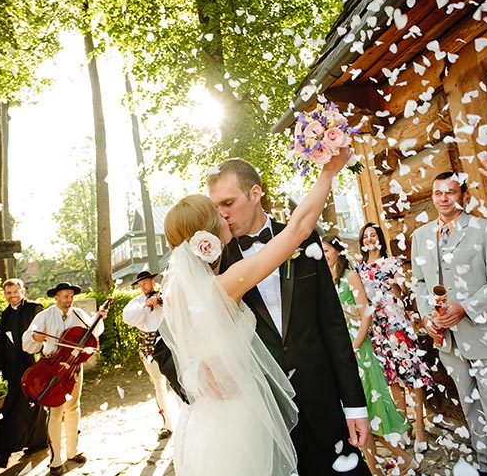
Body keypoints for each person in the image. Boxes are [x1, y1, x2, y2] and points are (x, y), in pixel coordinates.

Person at [158, 148, 371, 476]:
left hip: (304, 409)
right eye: (216, 211)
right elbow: (165, 347)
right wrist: (195, 378)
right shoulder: (224, 279)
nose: (224, 216)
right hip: (254, 419)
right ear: (205, 236)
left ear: (255, 194)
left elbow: (332, 326)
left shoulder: (183, 286)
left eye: (227, 205)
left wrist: (354, 403)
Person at [410, 171, 487, 476]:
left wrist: (465, 307)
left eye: (451, 192)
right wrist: (426, 317)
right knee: (470, 405)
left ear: (465, 196)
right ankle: (484, 463)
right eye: (438, 193)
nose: (444, 198)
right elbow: (419, 283)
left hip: (485, 334)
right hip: (447, 340)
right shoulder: (420, 236)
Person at [322, 235, 415, 476]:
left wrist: (355, 345)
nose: (324, 255)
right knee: (354, 414)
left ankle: (400, 458)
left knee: (369, 409)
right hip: (340, 350)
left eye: (327, 250)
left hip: (357, 348)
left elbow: (367, 314)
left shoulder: (349, 276)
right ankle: (375, 468)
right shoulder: (327, 279)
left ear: (338, 252)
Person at [355, 223, 432, 452]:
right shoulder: (358, 269)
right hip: (375, 327)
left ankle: (420, 426)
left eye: (373, 235)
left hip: (395, 322)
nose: (369, 239)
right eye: (365, 236)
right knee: (392, 377)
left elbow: (404, 290)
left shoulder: (392, 262)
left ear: (380, 239)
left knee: (411, 374)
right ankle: (403, 426)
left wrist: (397, 283)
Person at [23, 282, 107, 476]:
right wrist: (35, 338)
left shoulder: (78, 314)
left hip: (74, 370)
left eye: (71, 296)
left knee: (73, 408)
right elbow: (27, 339)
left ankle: (72, 452)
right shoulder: (44, 316)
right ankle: (55, 460)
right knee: (55, 412)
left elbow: (93, 333)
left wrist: (98, 319)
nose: (69, 300)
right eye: (65, 296)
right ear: (56, 297)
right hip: (51, 370)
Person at [0, 278, 48, 468]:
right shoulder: (5, 314)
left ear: (23, 291)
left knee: (16, 408)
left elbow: (45, 336)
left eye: (15, 291)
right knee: (29, 405)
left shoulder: (35, 309)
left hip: (32, 367)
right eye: (8, 293)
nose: (12, 296)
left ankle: (1, 453)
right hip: (13, 370)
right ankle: (38, 442)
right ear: (4, 295)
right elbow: (1, 344)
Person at [122, 270, 175, 440]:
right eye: (140, 284)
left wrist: (160, 301)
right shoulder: (136, 302)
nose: (143, 287)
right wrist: (146, 305)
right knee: (159, 385)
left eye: (145, 283)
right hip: (148, 347)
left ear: (152, 281)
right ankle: (167, 423)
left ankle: (185, 418)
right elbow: (128, 318)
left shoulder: (166, 293)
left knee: (176, 381)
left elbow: (176, 307)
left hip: (168, 344)